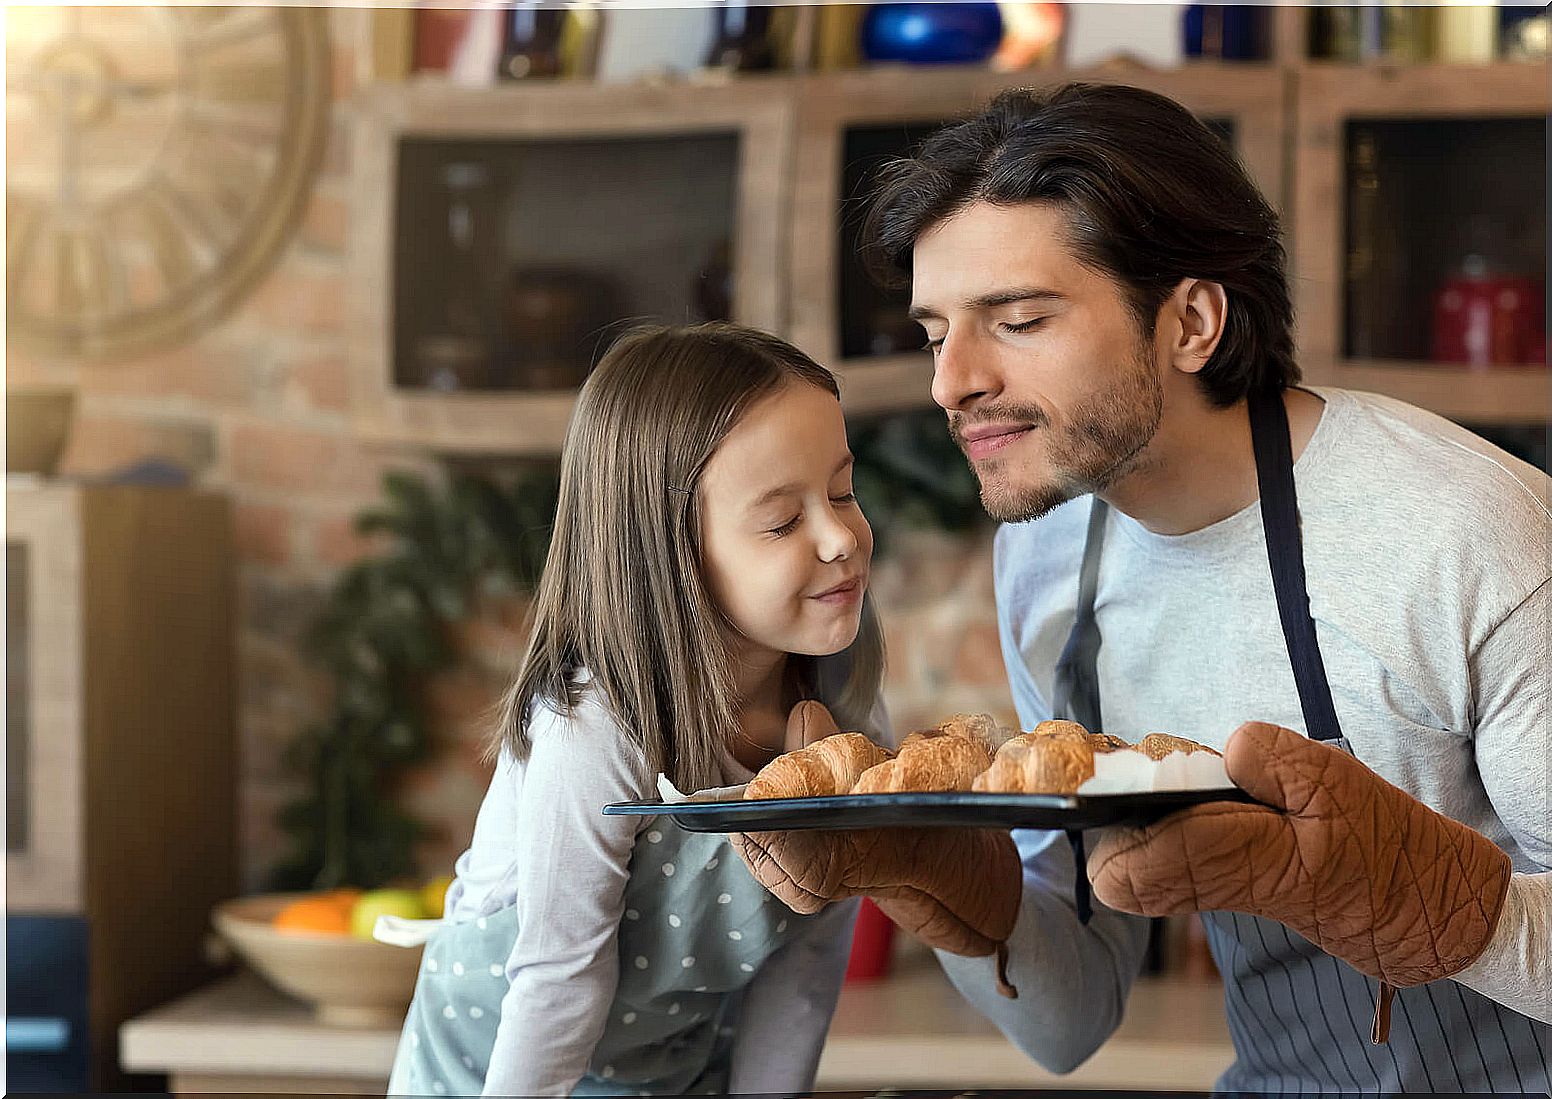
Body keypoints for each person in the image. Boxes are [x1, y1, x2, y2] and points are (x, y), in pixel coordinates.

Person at [741, 82, 1549, 1091]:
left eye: (1019, 318)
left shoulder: (1466, 533)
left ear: (1192, 321)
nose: (951, 381)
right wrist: (944, 884)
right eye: (935, 331)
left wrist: (1433, 904)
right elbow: (1070, 1018)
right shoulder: (1048, 563)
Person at [385, 322, 891, 1096]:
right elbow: (560, 980)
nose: (840, 537)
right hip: (501, 1063)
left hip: (666, 1066)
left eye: (842, 490)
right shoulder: (595, 724)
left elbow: (808, 961)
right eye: (784, 520)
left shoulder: (847, 707)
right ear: (669, 553)